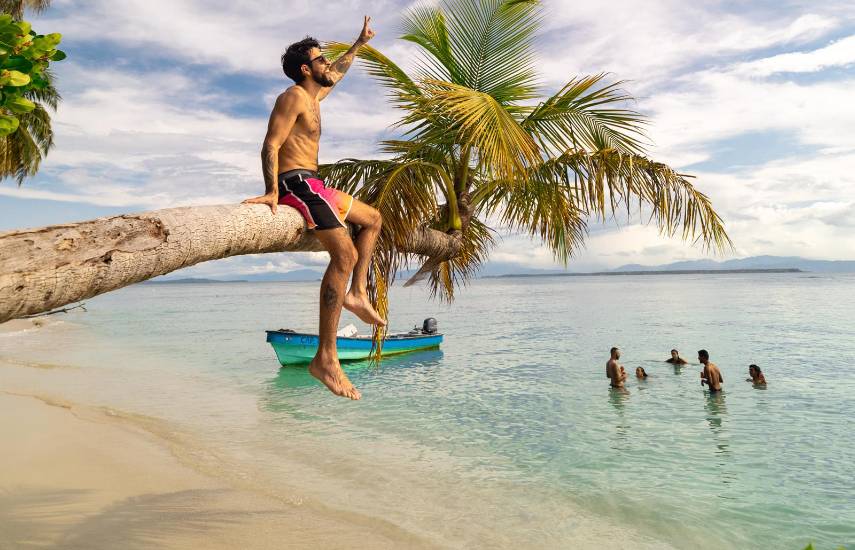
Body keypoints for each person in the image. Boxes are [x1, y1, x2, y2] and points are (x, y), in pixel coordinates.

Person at [243, 18, 382, 400]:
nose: (328, 65)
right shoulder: (292, 96)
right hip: (296, 184)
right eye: (321, 60)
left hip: (315, 183)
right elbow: (270, 144)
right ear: (306, 68)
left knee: (372, 219)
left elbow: (339, 71)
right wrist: (272, 191)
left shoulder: (314, 97)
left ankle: (356, 294)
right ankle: (326, 358)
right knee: (345, 253)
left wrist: (359, 42)